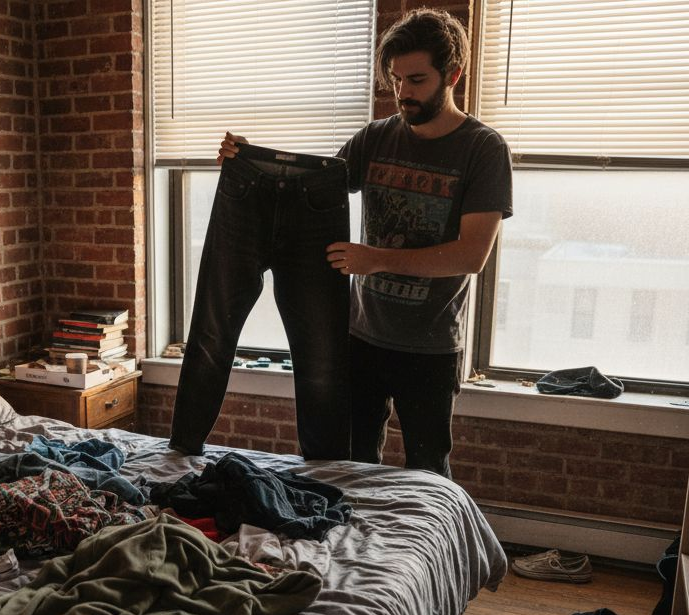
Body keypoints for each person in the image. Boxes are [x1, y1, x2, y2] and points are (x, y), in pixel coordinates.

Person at [220, 9, 513, 477]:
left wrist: (374, 260)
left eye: (416, 80)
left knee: (427, 474)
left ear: (453, 75)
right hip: (360, 340)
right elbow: (307, 187)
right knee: (352, 468)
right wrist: (250, 159)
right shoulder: (374, 138)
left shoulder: (484, 149)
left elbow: (471, 255)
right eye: (395, 80)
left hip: (432, 346)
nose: (402, 93)